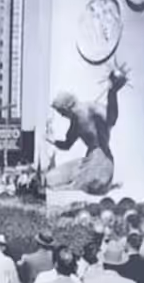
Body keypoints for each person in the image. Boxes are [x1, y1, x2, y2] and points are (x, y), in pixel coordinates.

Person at [46, 63, 130, 195]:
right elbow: (67, 145)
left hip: (102, 160)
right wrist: (53, 141)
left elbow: (112, 119)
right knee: (50, 179)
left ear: (67, 107)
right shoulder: (74, 122)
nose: (62, 116)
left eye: (61, 112)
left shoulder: (92, 109)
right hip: (88, 160)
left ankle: (107, 185)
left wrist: (112, 93)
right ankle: (105, 186)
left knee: (86, 184)